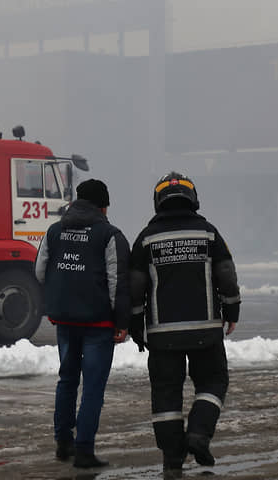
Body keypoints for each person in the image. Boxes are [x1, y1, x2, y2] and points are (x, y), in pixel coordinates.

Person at [129, 172, 241, 476]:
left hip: (162, 336)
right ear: (193, 198)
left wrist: (135, 325)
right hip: (205, 331)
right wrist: (232, 311)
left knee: (166, 394)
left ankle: (172, 460)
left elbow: (134, 287)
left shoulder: (145, 239)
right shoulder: (208, 233)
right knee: (213, 382)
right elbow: (227, 275)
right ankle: (199, 434)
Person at [34, 178, 130, 469]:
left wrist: (62, 291)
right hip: (98, 324)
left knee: (67, 379)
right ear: (104, 206)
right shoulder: (109, 235)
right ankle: (85, 451)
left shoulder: (54, 230)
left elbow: (39, 271)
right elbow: (117, 282)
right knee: (92, 387)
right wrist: (121, 321)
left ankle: (64, 444)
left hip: (65, 321)